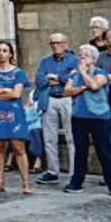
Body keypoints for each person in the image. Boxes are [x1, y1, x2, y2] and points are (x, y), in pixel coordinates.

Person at [61, 44, 111, 196]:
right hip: (79, 115)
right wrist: (81, 88)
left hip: (99, 117)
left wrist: (83, 73)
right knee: (80, 151)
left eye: (85, 55)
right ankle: (76, 182)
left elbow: (94, 85)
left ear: (93, 59)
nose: (81, 57)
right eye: (80, 55)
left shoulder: (101, 73)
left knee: (104, 151)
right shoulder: (73, 75)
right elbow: (66, 91)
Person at [0, 41, 33, 194]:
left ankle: (25, 183)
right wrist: (3, 89)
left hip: (14, 113)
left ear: (11, 54)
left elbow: (16, 94)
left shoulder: (18, 73)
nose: (1, 53)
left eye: (5, 50)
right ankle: (0, 182)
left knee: (19, 147)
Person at [33, 33, 79, 185]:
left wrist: (56, 77)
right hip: (50, 99)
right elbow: (39, 80)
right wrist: (58, 78)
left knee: (72, 137)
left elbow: (75, 79)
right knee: (49, 137)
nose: (55, 46)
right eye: (52, 43)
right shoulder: (45, 61)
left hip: (67, 99)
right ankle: (53, 171)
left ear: (65, 44)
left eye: (58, 43)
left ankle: (74, 172)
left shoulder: (74, 60)